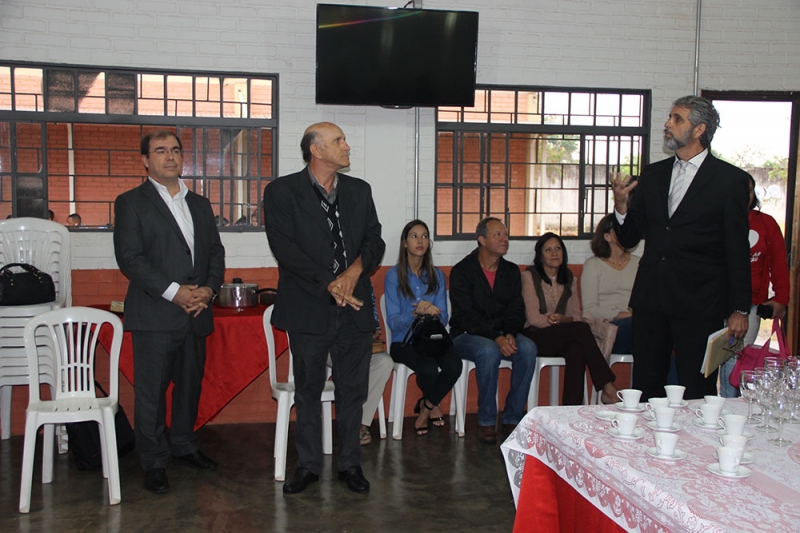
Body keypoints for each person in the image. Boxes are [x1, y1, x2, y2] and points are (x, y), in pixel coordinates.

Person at [264, 122, 385, 495]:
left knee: (353, 391)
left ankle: (350, 464)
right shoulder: (282, 191)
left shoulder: (359, 191)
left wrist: (353, 273)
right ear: (316, 151)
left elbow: (374, 240)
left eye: (344, 140)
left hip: (354, 308)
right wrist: (330, 284)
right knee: (309, 391)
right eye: (338, 141)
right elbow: (285, 250)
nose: (346, 146)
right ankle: (309, 466)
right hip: (308, 307)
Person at [610, 95, 751, 401]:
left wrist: (739, 308)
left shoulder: (730, 181)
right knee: (647, 384)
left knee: (695, 386)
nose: (667, 124)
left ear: (699, 129)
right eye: (669, 117)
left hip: (700, 300)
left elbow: (737, 249)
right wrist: (621, 207)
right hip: (651, 298)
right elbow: (630, 237)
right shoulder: (653, 174)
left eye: (677, 119)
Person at [114, 129, 225, 495]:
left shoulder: (200, 203)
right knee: (151, 393)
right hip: (156, 314)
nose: (170, 157)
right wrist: (176, 292)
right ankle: (154, 461)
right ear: (145, 160)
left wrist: (208, 290)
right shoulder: (131, 202)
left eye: (175, 150)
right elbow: (130, 259)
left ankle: (184, 445)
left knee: (189, 388)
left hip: (196, 313)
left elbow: (215, 254)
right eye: (160, 151)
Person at [449, 217, 538, 444]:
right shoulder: (462, 271)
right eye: (497, 234)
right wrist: (496, 337)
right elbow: (465, 316)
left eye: (506, 234)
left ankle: (512, 416)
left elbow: (516, 310)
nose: (504, 239)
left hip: (500, 333)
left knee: (527, 349)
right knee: (489, 351)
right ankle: (487, 421)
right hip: (466, 335)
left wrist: (509, 333)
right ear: (482, 240)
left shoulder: (510, 271)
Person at [521, 232, 619, 405]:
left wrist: (562, 320)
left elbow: (575, 315)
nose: (554, 253)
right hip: (536, 335)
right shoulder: (529, 277)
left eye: (558, 248)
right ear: (540, 256)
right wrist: (554, 320)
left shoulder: (569, 278)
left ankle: (570, 409)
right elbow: (534, 318)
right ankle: (607, 386)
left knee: (576, 349)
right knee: (581, 329)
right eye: (548, 250)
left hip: (563, 334)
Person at [384, 220, 462, 436]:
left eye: (425, 236)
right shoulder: (393, 276)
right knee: (427, 368)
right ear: (405, 243)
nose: (420, 241)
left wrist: (433, 310)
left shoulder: (437, 275)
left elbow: (445, 317)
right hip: (405, 341)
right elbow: (392, 321)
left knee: (454, 366)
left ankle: (425, 407)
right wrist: (416, 312)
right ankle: (434, 405)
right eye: (414, 236)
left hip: (434, 338)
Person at [719, 175, 790, 397]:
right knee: (711, 360)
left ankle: (731, 408)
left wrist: (781, 299)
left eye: (749, 190)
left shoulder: (766, 223)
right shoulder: (715, 220)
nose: (745, 195)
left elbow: (779, 264)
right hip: (711, 302)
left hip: (749, 305)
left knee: (735, 356)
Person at [581, 214, 640, 355]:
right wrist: (619, 315)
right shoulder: (593, 265)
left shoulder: (639, 263)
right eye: (620, 230)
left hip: (638, 324)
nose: (626, 233)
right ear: (607, 237)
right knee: (643, 329)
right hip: (610, 327)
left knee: (657, 340)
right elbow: (589, 309)